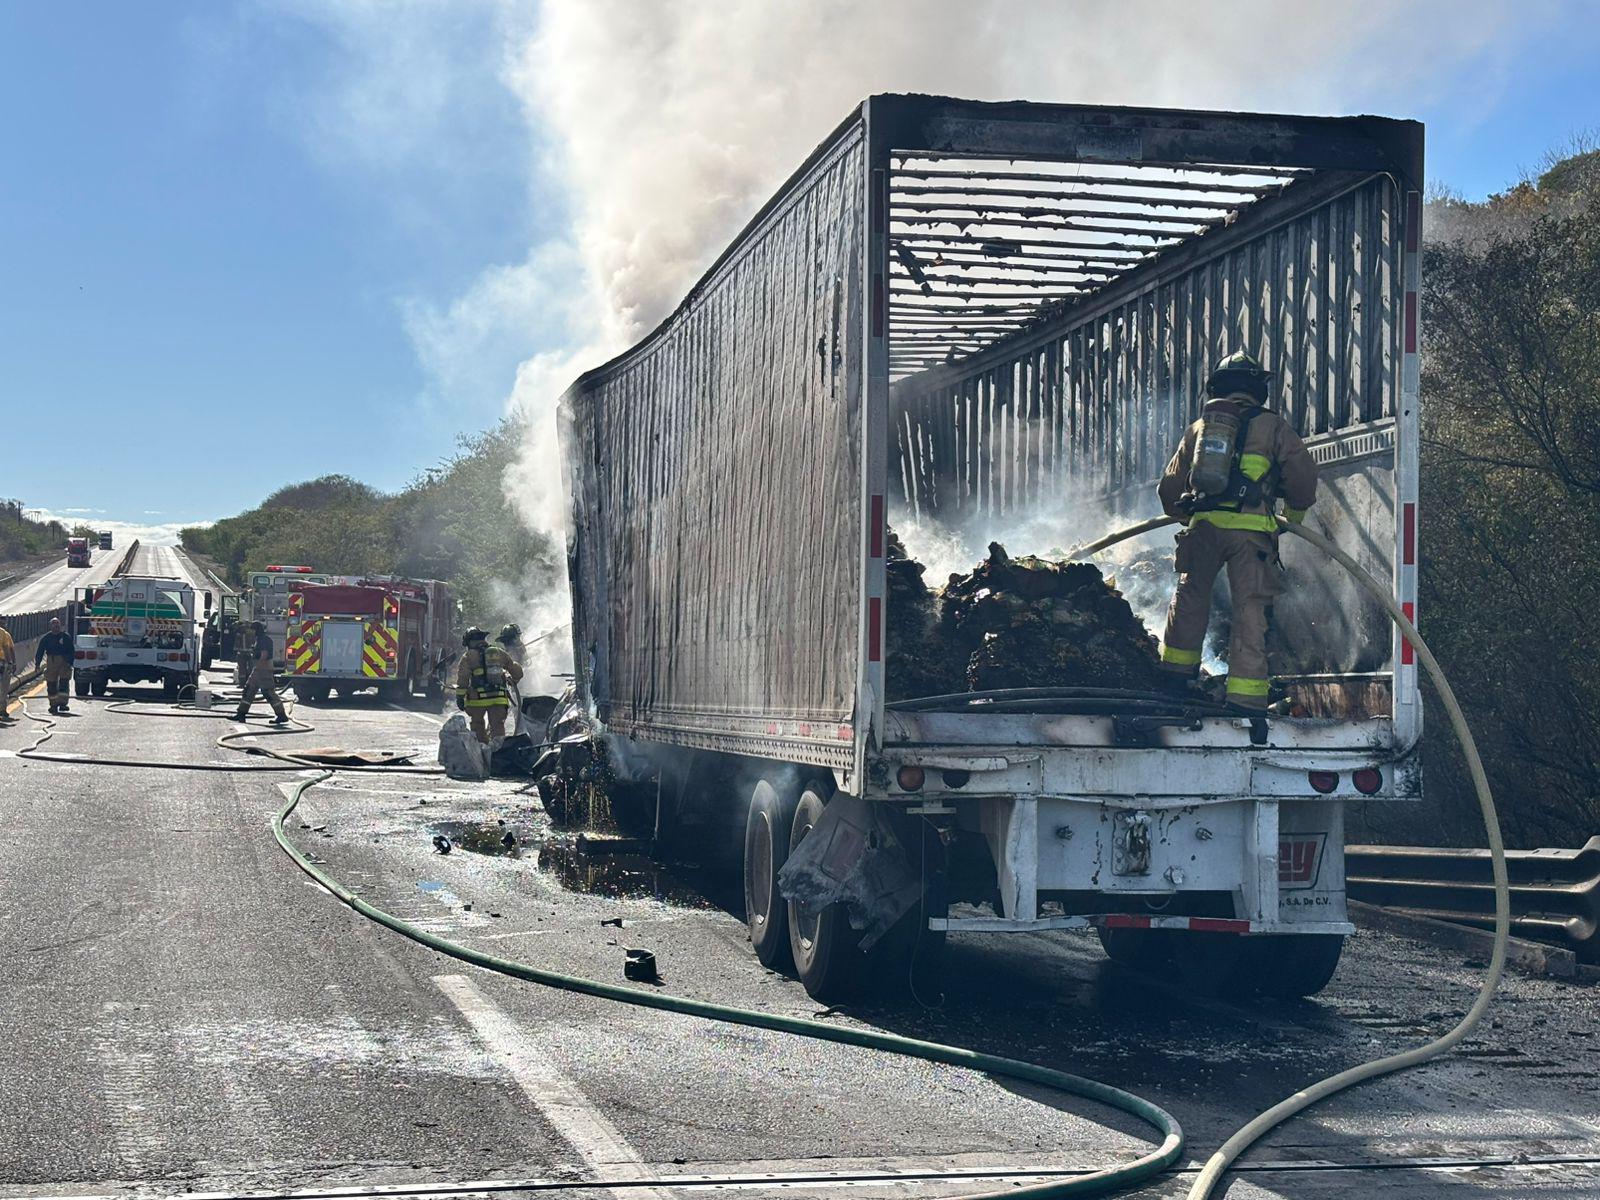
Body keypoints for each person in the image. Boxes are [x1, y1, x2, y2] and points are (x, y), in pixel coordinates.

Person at [1156, 350, 1319, 710]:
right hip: (1252, 534)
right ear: (1257, 389)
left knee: (1189, 600)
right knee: (1250, 610)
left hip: (1203, 529)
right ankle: (1245, 699)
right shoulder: (1274, 426)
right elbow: (1303, 479)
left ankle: (1174, 679)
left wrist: (1187, 516)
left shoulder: (1199, 429)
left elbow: (1169, 488)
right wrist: (1293, 516)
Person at [454, 626, 522, 745]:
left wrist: (460, 697)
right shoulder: (498, 652)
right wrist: (512, 681)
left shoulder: (468, 657)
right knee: (498, 727)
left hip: (477, 701)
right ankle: (498, 754)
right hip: (498, 698)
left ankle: (482, 752)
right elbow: (517, 672)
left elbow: (463, 679)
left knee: (478, 726)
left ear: (469, 642)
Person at [234, 620, 289, 725]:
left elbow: (264, 655)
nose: (251, 632)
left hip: (263, 670)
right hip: (260, 670)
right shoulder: (260, 639)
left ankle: (281, 715)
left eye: (252, 630)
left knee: (268, 692)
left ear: (256, 630)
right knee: (249, 690)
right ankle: (241, 714)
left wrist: (256, 667)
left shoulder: (263, 640)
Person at [35, 617, 75, 715]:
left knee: (64, 682)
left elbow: (72, 650)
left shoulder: (65, 637)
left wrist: (69, 662)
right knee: (51, 683)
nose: (56, 625)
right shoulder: (46, 638)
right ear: (50, 626)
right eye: (53, 623)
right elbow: (40, 651)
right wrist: (37, 664)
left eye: (57, 623)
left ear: (60, 625)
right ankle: (53, 705)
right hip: (51, 661)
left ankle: (63, 704)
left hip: (64, 662)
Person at [0, 619, 14, 723]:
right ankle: (2, 709)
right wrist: (10, 663)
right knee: (3, 687)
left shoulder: (5, 634)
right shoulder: (3, 633)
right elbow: (6, 648)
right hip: (1, 663)